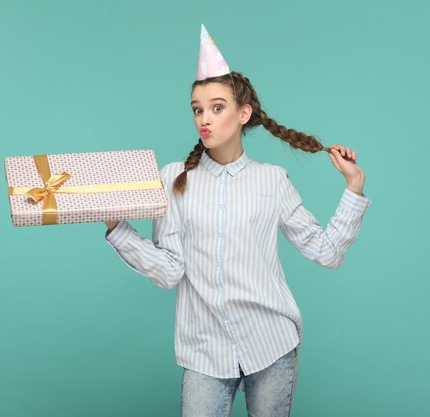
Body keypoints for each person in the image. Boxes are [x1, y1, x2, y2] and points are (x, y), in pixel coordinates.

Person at [103, 25, 370, 417]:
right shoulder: (174, 178)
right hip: (204, 351)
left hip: (271, 345)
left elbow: (326, 252)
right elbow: (169, 270)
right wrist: (117, 228)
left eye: (217, 107)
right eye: (197, 109)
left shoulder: (272, 180)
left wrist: (354, 185)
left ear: (243, 113)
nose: (204, 119)